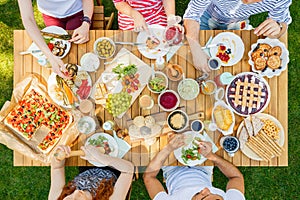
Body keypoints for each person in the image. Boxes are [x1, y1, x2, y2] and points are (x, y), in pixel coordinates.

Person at [183, 0, 292, 73]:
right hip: (206, 15)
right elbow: (192, 14)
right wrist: (196, 49)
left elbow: (283, 24)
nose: (247, 1)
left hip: (238, 22)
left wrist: (279, 27)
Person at [143, 134, 245, 199]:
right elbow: (237, 178)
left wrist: (169, 148)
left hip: (173, 170)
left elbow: (149, 177)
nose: (206, 189)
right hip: (204, 170)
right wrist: (211, 156)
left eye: (203, 197)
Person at [18, 0, 94, 78]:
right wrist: (49, 55)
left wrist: (86, 23)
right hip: (50, 15)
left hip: (77, 11)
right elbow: (28, 19)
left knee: (77, 44)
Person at [48, 145, 134, 200]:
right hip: (117, 168)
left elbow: (57, 168)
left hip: (87, 168)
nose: (76, 192)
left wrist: (57, 157)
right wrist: (100, 157)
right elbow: (128, 170)